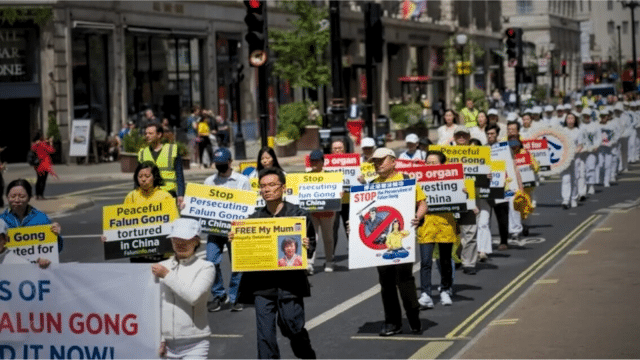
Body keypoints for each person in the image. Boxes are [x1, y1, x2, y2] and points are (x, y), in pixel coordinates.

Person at [234, 167, 317, 359]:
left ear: (283, 188)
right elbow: (244, 254)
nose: (267, 190)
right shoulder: (253, 220)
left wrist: (306, 244)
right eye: (263, 186)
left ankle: (307, 354)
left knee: (293, 327)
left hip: (290, 283)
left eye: (272, 185)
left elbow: (311, 242)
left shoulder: (298, 214)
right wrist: (236, 240)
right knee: (265, 336)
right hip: (263, 286)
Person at [367, 147, 427, 336]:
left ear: (393, 161)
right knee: (386, 282)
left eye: (381, 160)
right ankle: (392, 322)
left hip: (402, 238)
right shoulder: (371, 185)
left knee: (404, 279)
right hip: (381, 242)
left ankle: (413, 317)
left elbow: (423, 203)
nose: (377, 164)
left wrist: (418, 216)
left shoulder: (407, 181)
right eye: (375, 162)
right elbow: (365, 214)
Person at [154, 218, 215, 359]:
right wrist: (161, 339)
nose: (180, 243)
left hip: (195, 343)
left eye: (185, 239)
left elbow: (194, 297)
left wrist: (167, 275)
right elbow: (157, 305)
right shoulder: (162, 265)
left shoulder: (206, 267)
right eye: (176, 239)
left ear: (196, 241)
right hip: (167, 345)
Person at [204, 147, 251, 312]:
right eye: (218, 164)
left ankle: (235, 296)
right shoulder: (209, 182)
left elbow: (248, 206)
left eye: (223, 163)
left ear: (230, 162)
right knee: (210, 261)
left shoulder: (242, 181)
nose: (220, 166)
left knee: (237, 264)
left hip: (235, 229)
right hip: (215, 229)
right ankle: (219, 294)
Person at [417, 150, 456, 309]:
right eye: (428, 163)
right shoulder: (418, 180)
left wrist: (465, 193)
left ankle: (445, 289)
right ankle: (426, 293)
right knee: (425, 261)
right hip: (426, 225)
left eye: (434, 162)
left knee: (445, 260)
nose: (431, 165)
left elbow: (465, 198)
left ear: (442, 164)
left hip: (445, 223)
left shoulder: (454, 177)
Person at [0, 179, 61, 268]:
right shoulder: (1, 220)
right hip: (9, 270)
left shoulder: (41, 218)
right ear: (7, 197)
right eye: (13, 196)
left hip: (35, 270)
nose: (17, 200)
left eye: (21, 196)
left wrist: (56, 235)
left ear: (29, 198)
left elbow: (54, 250)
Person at [137, 123, 185, 207]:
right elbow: (138, 176)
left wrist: (180, 194)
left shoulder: (172, 149)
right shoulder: (142, 153)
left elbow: (179, 174)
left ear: (159, 134)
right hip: (149, 194)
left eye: (150, 133)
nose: (147, 136)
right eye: (146, 133)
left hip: (169, 193)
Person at [306, 150, 337, 273]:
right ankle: (309, 262)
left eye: (316, 160)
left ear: (322, 162)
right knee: (312, 237)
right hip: (312, 212)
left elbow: (337, 189)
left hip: (328, 212)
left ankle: (329, 261)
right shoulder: (306, 176)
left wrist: (339, 193)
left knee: (328, 237)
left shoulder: (331, 175)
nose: (314, 163)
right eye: (312, 160)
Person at [561, 112, 583, 209]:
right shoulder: (562, 130)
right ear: (566, 120)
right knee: (565, 179)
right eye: (568, 118)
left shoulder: (578, 131)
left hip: (575, 158)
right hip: (565, 159)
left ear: (575, 120)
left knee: (574, 179)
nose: (570, 120)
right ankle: (565, 199)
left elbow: (580, 145)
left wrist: (573, 153)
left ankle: (574, 198)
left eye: (572, 118)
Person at [31, 131, 57, 200]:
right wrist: (51, 143)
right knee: (43, 180)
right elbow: (51, 150)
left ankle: (37, 195)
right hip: (44, 164)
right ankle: (41, 195)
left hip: (38, 164)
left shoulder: (36, 144)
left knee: (39, 180)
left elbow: (33, 149)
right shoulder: (44, 144)